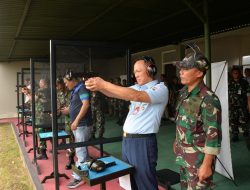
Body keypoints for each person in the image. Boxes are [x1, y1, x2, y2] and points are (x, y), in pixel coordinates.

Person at [85, 56, 168, 190]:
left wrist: (104, 84)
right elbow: (115, 94)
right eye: (135, 71)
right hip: (128, 140)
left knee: (145, 183)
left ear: (151, 70)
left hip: (143, 142)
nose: (136, 74)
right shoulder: (137, 87)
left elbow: (136, 96)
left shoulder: (160, 88)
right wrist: (97, 87)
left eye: (139, 71)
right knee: (130, 181)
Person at [173, 44, 222, 189]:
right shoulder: (184, 93)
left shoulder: (208, 99)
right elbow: (185, 121)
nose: (180, 72)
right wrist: (177, 140)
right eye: (181, 68)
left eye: (186, 68)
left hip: (198, 160)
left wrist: (207, 164)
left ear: (199, 73)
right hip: (184, 156)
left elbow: (213, 135)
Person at [60, 71, 92, 189]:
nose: (65, 85)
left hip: (82, 125)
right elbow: (76, 107)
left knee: (81, 152)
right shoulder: (76, 89)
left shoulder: (82, 88)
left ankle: (80, 178)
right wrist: (65, 111)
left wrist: (77, 121)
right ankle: (87, 172)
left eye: (66, 82)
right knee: (81, 150)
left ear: (71, 79)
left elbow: (86, 104)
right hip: (79, 125)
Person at [228, 67, 249, 141]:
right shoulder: (228, 83)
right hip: (232, 106)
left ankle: (246, 132)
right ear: (232, 74)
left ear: (239, 74)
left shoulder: (244, 82)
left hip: (242, 105)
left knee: (244, 119)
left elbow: (248, 94)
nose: (235, 74)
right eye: (234, 73)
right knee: (233, 120)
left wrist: (249, 105)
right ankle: (235, 135)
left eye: (237, 73)